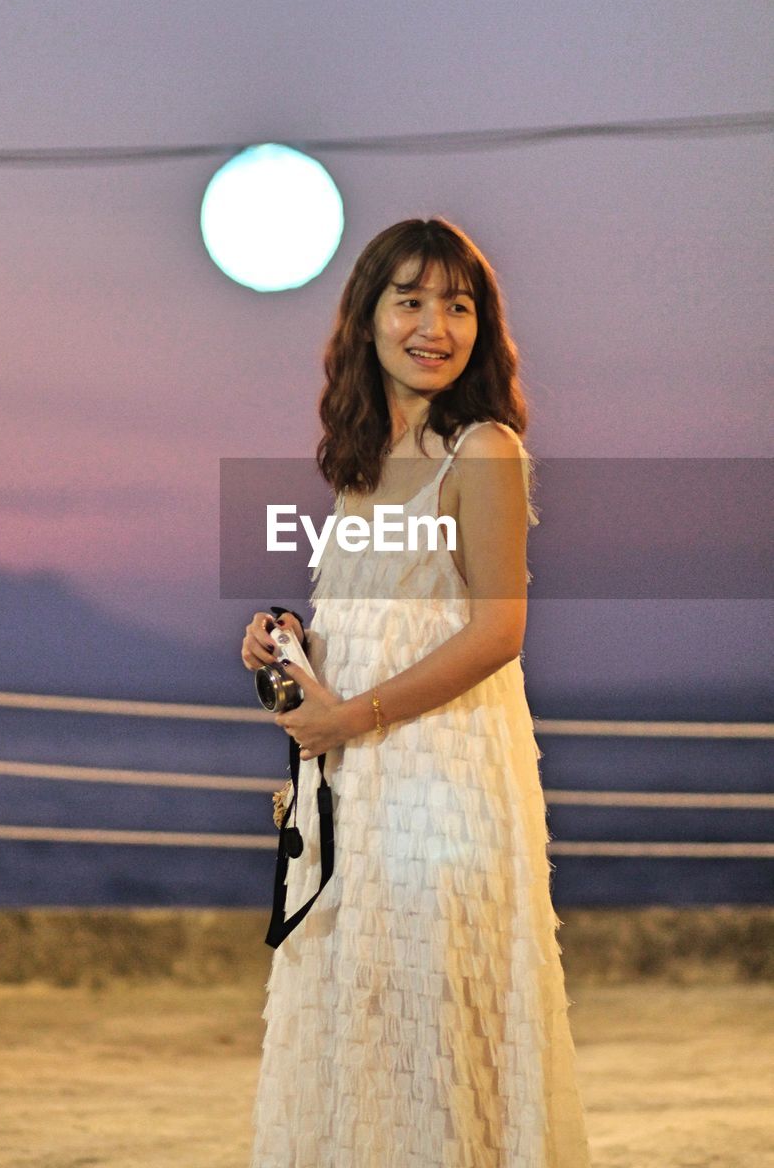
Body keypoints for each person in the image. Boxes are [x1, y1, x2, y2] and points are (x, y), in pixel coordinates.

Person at [242, 218, 592, 1166]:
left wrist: (346, 718)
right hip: (360, 781)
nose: (434, 324)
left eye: (458, 304)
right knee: (357, 1014)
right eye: (409, 300)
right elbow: (383, 616)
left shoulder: (480, 449)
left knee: (436, 1022)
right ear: (366, 318)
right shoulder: (360, 465)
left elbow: (495, 629)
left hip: (445, 778)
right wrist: (288, 642)